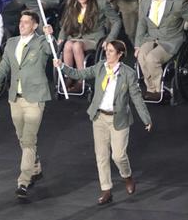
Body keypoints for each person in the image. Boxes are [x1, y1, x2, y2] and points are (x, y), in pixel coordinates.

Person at [54, 40, 152, 206]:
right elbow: (81, 74)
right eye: (107, 50)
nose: (107, 53)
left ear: (120, 54)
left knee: (119, 155)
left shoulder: (128, 73)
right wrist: (62, 66)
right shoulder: (100, 67)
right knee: (101, 156)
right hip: (99, 117)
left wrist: (146, 118)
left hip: (119, 118)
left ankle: (127, 176)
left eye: (111, 51)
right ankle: (106, 190)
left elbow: (136, 98)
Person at [0, 11, 54, 200]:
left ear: (34, 25)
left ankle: (23, 182)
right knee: (22, 139)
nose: (21, 25)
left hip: (34, 99)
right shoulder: (12, 43)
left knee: (29, 140)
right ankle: (36, 167)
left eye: (26, 22)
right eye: (21, 22)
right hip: (15, 98)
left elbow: (51, 50)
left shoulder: (40, 43)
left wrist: (50, 36)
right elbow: (4, 67)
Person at [58, 0, 122, 93]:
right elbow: (66, 23)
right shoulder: (72, 3)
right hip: (76, 36)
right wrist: (61, 37)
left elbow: (117, 21)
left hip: (94, 38)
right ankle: (69, 77)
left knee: (76, 45)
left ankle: (81, 80)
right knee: (67, 44)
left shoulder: (101, 3)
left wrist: (109, 39)